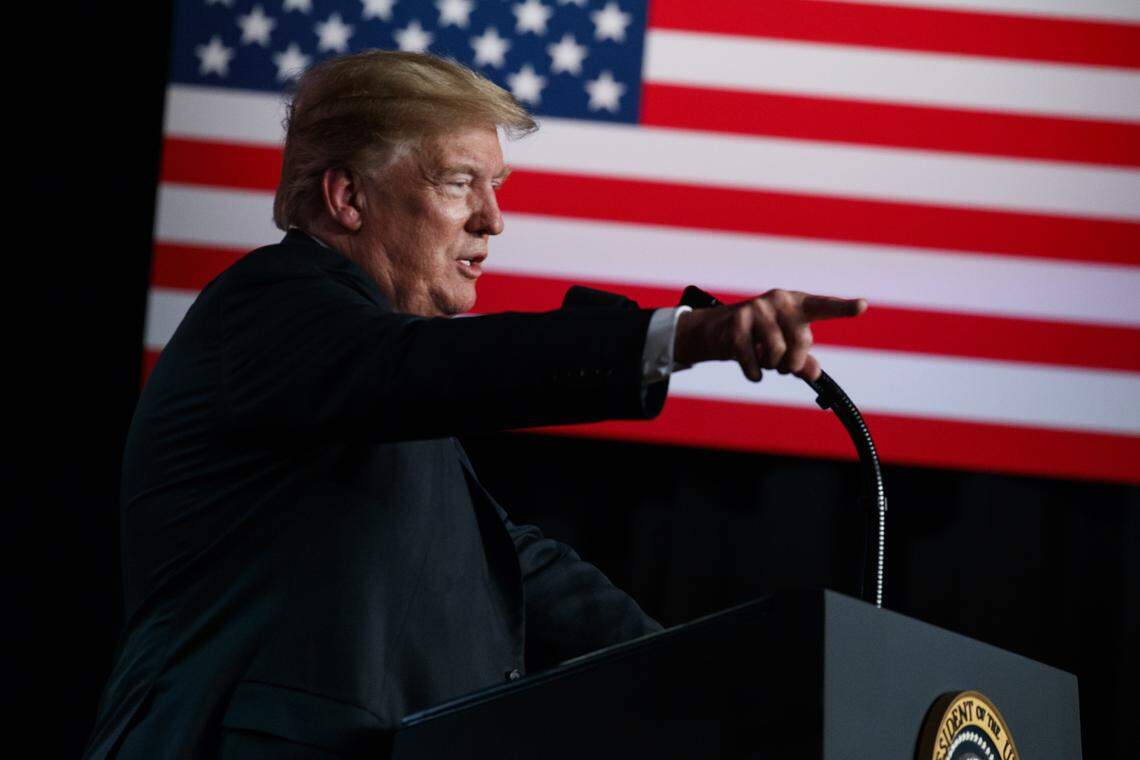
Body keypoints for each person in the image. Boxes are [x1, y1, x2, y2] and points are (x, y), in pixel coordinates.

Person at [84, 51, 867, 759]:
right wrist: (687, 335)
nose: (494, 219)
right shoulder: (268, 308)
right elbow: (443, 367)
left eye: (496, 187)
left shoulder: (358, 395)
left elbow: (511, 566)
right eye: (459, 181)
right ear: (347, 195)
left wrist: (727, 675)